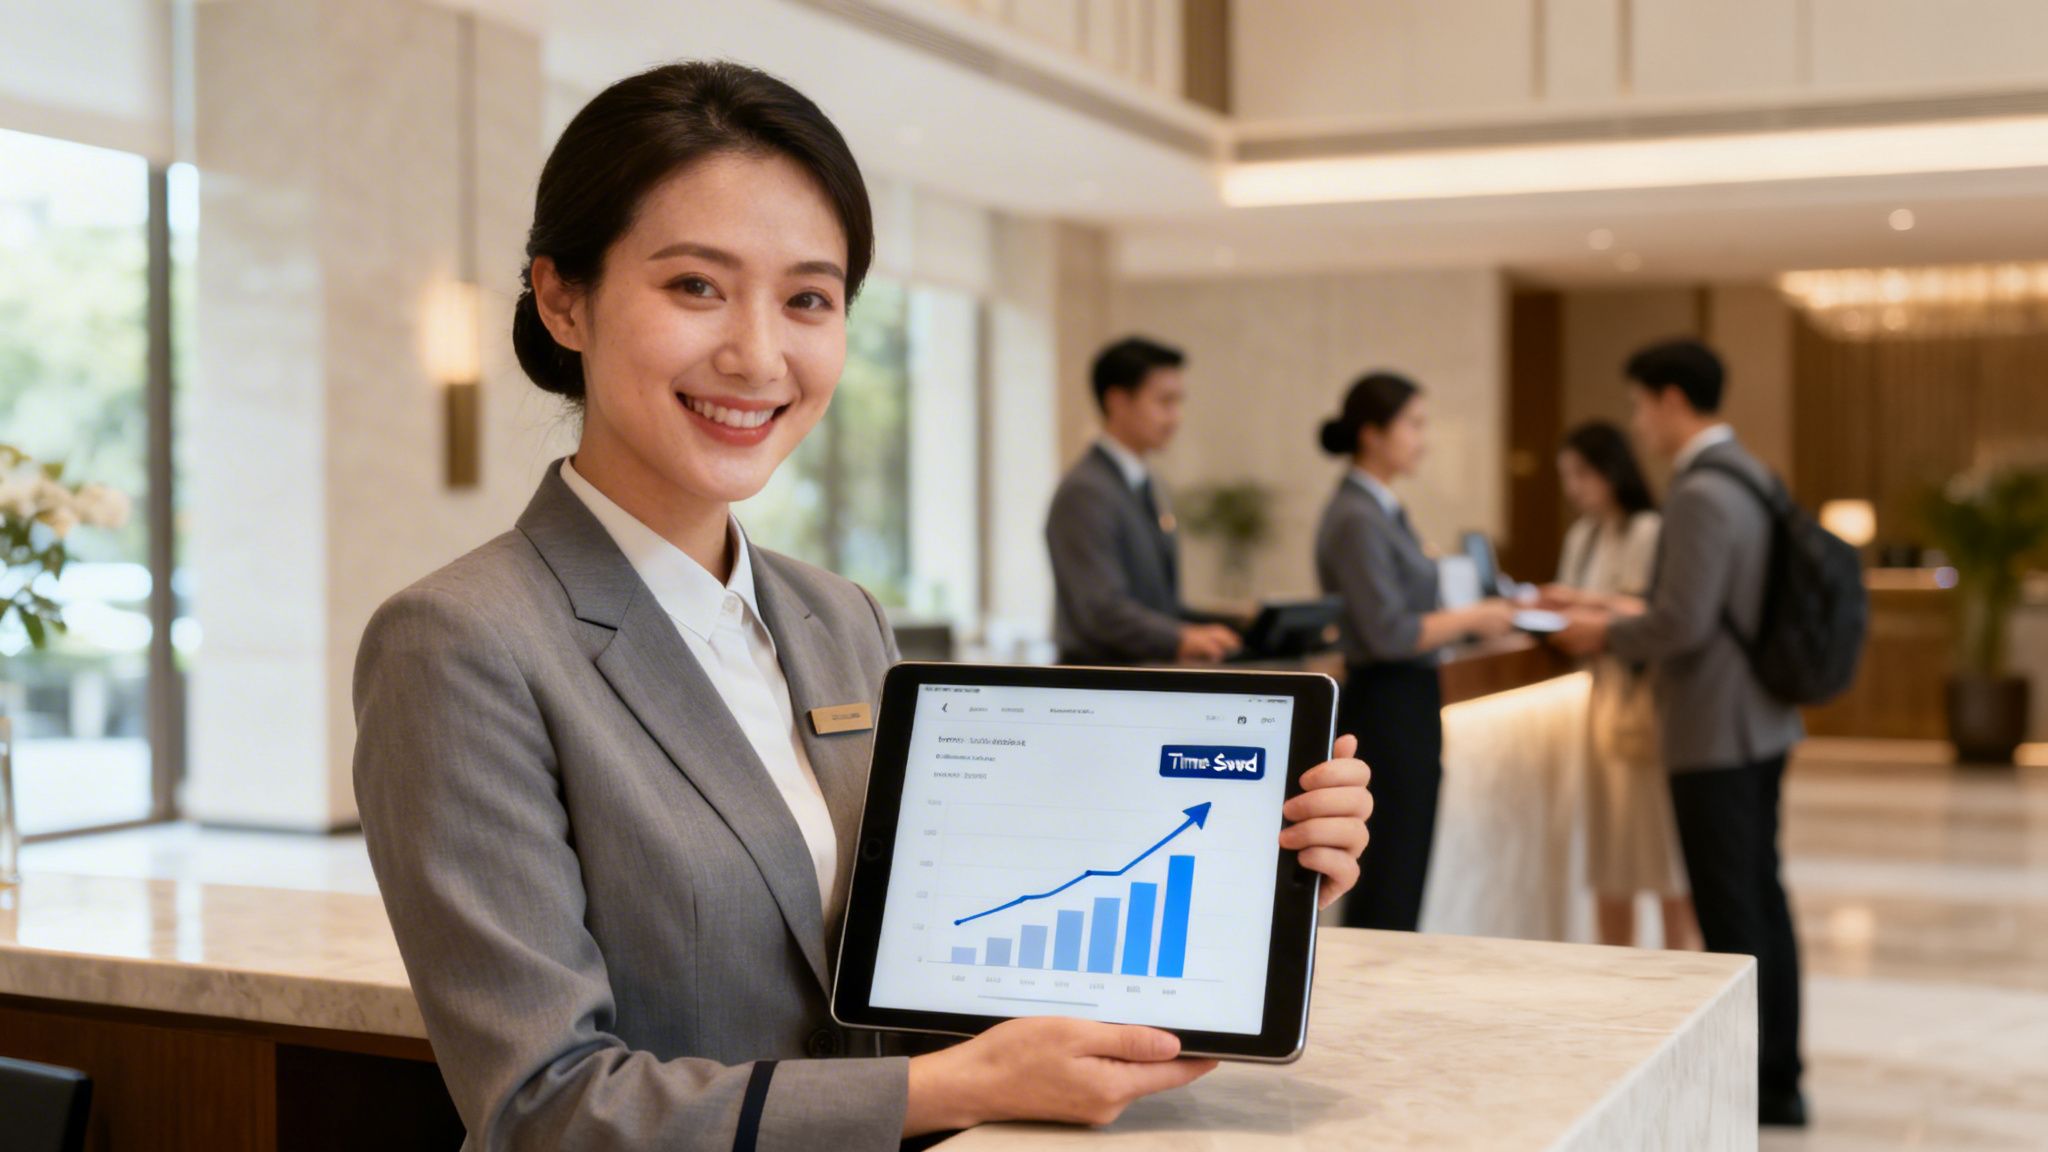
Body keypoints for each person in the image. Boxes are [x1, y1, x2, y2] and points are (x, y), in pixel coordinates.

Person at [352, 62, 1375, 1151]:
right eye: (695, 286)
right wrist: (948, 1093)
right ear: (563, 299)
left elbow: (936, 966)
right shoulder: (462, 641)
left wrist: (1247, 896)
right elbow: (543, 1109)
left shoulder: (836, 618)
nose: (756, 354)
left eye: (807, 298)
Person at [1553, 339, 1808, 1127]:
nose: (1639, 422)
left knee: (1733, 913)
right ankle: (1780, 1072)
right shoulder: (1753, 472)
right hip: (1761, 718)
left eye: (1639, 404)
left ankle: (1763, 1083)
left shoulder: (1699, 489)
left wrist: (1604, 635)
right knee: (1760, 897)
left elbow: (1684, 622)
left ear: (1669, 399)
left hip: (1714, 728)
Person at [1314, 371, 1516, 932]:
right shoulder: (1357, 515)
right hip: (1386, 704)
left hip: (1407, 700)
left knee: (1404, 866)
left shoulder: (1381, 508)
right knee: (1388, 875)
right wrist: (1474, 617)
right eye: (1414, 424)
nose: (1423, 439)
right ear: (1373, 433)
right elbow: (1388, 632)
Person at [1541, 421, 1698, 951]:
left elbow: (1654, 611)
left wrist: (1579, 603)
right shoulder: (1582, 535)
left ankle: (1682, 971)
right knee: (1609, 854)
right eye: (1567, 476)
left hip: (1643, 704)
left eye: (1583, 474)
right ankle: (1617, 968)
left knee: (1661, 852)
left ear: (1611, 471)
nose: (1574, 488)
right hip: (1598, 702)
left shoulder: (1647, 530)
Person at [1046, 337, 1243, 665]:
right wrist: (1182, 638)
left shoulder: (1146, 484)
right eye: (1164, 402)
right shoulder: (1086, 491)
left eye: (1179, 402)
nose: (1176, 417)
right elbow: (1100, 610)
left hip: (1138, 681)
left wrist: (1236, 623)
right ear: (1117, 401)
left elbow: (1158, 605)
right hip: (1097, 687)